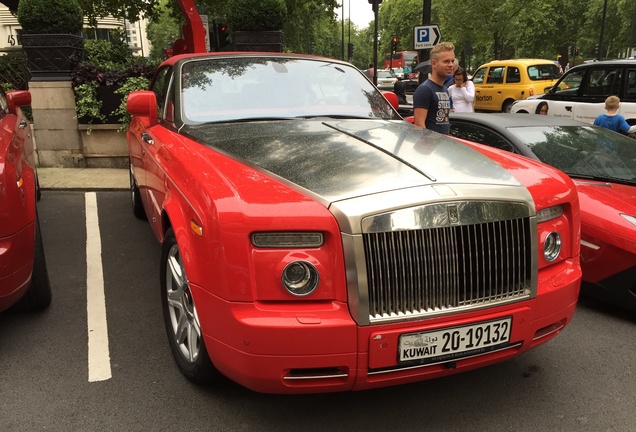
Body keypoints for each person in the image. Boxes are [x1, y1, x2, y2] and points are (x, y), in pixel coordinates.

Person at [412, 42, 455, 134]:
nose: (451, 65)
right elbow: (419, 126)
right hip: (430, 147)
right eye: (446, 61)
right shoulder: (425, 90)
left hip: (443, 146)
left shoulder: (445, 90)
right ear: (434, 64)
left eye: (452, 61)